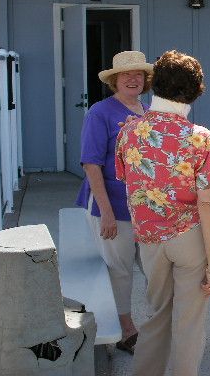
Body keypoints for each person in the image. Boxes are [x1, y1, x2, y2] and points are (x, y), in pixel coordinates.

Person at [115, 50, 210, 376]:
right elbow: (206, 202)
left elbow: (126, 179)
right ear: (194, 90)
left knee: (156, 315)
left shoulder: (128, 131)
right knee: (189, 323)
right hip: (188, 235)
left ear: (154, 84)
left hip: (148, 237)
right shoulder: (200, 137)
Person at [75, 50, 152, 354]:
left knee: (153, 269)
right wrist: (106, 212)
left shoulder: (148, 112)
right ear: (115, 81)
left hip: (144, 211)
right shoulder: (100, 112)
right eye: (126, 75)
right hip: (112, 208)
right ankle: (125, 330)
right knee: (119, 272)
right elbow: (91, 164)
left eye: (139, 75)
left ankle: (151, 327)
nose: (133, 79)